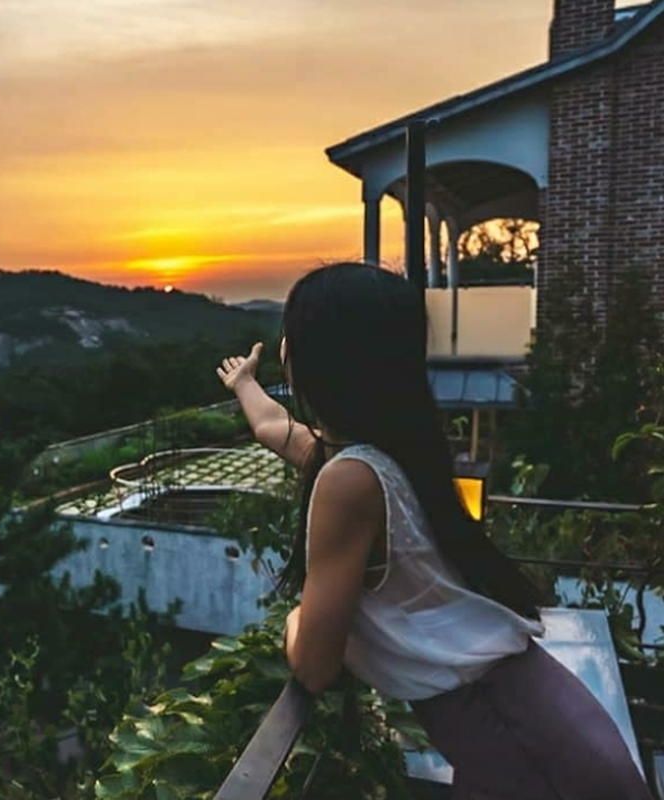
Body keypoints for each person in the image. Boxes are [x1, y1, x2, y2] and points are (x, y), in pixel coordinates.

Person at [216, 263, 652, 800]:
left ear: (325, 360)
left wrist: (297, 618)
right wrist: (244, 383)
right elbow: (274, 427)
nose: (285, 345)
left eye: (294, 334)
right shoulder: (391, 454)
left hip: (515, 741)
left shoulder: (349, 481)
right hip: (542, 714)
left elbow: (313, 665)